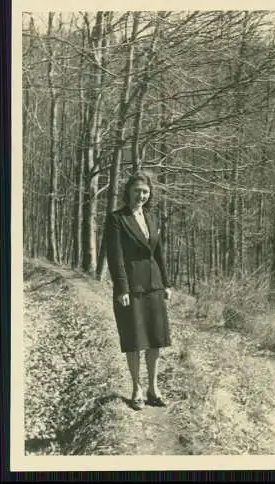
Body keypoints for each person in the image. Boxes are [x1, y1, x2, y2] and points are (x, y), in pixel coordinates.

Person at [105, 171, 172, 411]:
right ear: (128, 192)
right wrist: (122, 288)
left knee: (155, 338)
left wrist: (166, 283)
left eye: (145, 191)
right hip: (131, 288)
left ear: (149, 193)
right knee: (134, 339)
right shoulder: (116, 219)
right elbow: (116, 258)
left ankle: (153, 389)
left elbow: (159, 253)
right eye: (137, 191)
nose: (141, 196)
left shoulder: (152, 219)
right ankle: (136, 389)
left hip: (153, 286)